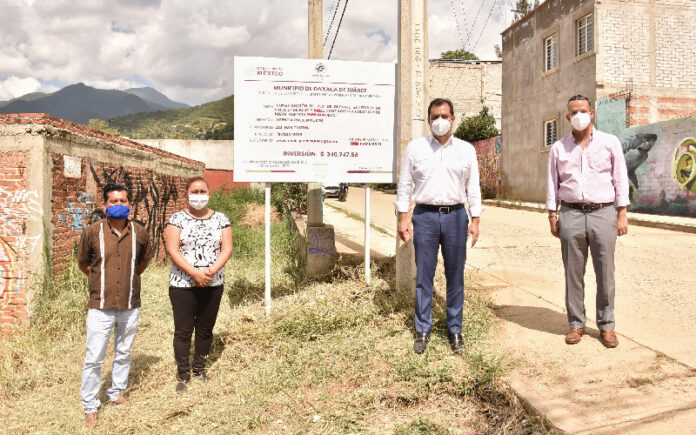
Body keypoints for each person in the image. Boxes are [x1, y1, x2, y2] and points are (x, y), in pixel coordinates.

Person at [395, 97, 482, 354]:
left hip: (456, 216)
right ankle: (422, 328)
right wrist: (403, 217)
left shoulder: (466, 149)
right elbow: (404, 185)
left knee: (455, 276)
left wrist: (475, 219)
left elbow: (473, 187)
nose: (440, 121)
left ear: (453, 119)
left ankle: (455, 329)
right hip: (425, 217)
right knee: (424, 275)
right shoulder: (415, 148)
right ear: (429, 120)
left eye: (445, 116)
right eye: (435, 117)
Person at [547, 95, 629, 348]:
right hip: (570, 213)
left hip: (603, 213)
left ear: (591, 113)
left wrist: (622, 212)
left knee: (605, 272)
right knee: (573, 272)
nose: (579, 115)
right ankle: (575, 324)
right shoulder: (559, 148)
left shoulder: (609, 142)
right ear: (568, 117)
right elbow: (552, 182)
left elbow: (620, 178)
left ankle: (606, 325)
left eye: (583, 110)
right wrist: (552, 214)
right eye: (574, 112)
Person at [77, 183, 154, 428]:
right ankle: (90, 405)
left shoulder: (140, 233)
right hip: (100, 305)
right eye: (113, 202)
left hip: (130, 303)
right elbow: (84, 264)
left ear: (129, 205)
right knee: (94, 357)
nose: (118, 205)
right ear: (105, 206)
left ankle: (116, 392)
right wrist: (103, 282)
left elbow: (142, 264)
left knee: (124, 352)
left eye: (123, 201)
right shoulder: (92, 232)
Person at [164, 177, 233, 392]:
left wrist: (210, 272)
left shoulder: (221, 219)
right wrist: (194, 273)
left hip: (213, 283)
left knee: (205, 329)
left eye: (203, 191)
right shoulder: (176, 219)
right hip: (182, 284)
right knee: (183, 331)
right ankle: (183, 374)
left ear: (209, 192)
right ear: (187, 194)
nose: (199, 195)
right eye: (195, 191)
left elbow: (227, 248)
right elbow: (172, 250)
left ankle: (200, 368)